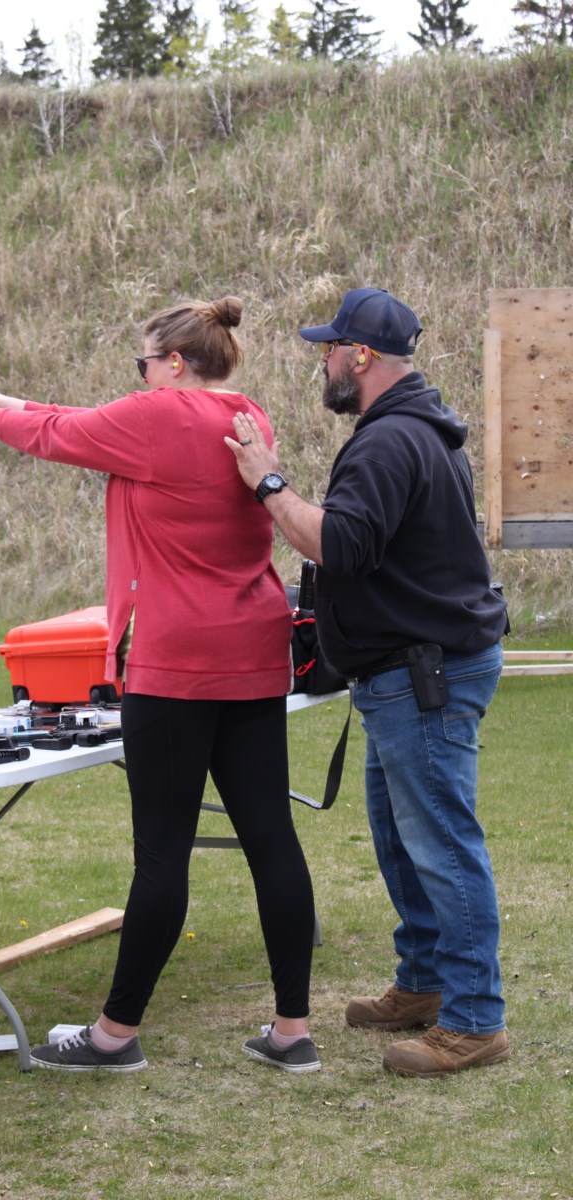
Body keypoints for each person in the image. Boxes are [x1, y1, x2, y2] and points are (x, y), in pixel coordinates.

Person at [0, 296, 321, 1075]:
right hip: (252, 652)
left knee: (162, 857)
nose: (139, 379)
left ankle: (114, 1036)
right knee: (271, 841)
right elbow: (86, 421)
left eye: (143, 365)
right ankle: (291, 1031)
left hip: (177, 664)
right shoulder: (249, 416)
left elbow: (62, 435)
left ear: (173, 364)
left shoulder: (152, 419)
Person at [226, 287, 510, 1078]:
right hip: (411, 670)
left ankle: (476, 1020)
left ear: (361, 357)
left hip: (423, 673)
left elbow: (342, 546)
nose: (322, 361)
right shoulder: (415, 428)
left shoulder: (388, 443)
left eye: (329, 349)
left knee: (442, 846)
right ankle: (423, 983)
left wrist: (268, 483)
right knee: (399, 837)